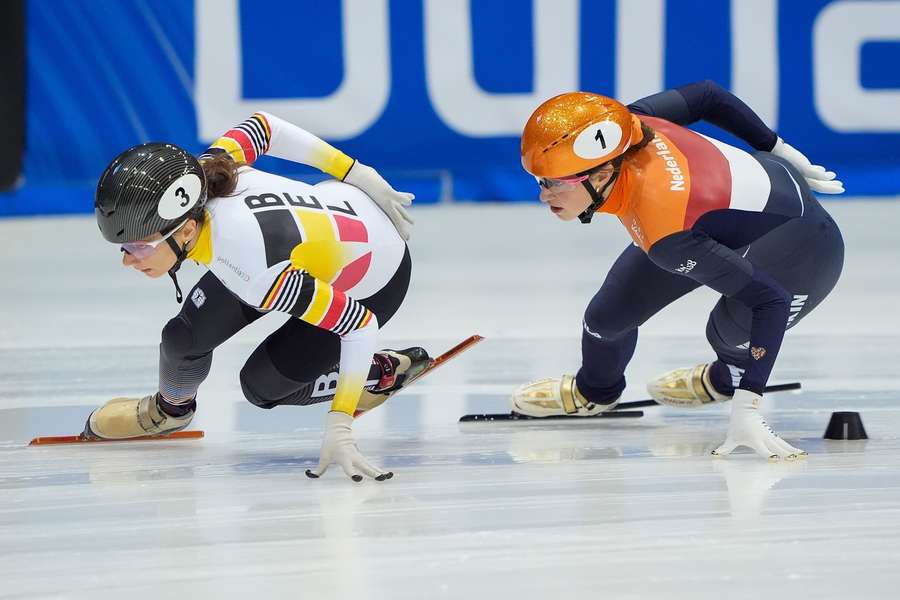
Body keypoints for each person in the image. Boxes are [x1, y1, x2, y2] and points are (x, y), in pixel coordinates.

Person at [88, 111, 430, 481]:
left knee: (262, 386)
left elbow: (359, 324)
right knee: (182, 338)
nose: (127, 260)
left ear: (185, 231)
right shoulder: (203, 175)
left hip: (375, 280)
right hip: (319, 230)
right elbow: (265, 126)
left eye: (137, 246)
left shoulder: (257, 272)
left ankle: (377, 374)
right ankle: (171, 411)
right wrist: (353, 171)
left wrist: (340, 421)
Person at [514, 80, 845, 460]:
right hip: (709, 220)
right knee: (605, 318)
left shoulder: (664, 230)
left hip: (805, 251)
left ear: (602, 175)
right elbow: (706, 95)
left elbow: (771, 301)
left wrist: (748, 404)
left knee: (726, 335)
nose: (543, 195)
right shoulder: (629, 125)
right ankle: (595, 393)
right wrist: (775, 147)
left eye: (554, 183)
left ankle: (726, 379)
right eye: (540, 181)